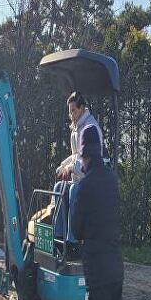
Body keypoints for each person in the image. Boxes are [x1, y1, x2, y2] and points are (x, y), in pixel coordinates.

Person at [71, 125, 130, 300]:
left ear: (84, 155)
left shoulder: (84, 187)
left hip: (97, 277)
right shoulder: (112, 179)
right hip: (116, 272)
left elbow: (76, 230)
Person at [54, 91, 103, 243]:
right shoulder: (76, 128)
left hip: (91, 181)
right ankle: (59, 238)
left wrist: (71, 168)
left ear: (82, 108)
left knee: (74, 190)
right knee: (59, 187)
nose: (71, 115)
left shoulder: (90, 128)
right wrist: (63, 166)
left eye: (73, 111)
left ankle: (73, 242)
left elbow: (90, 161)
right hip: (79, 178)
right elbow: (76, 155)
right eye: (69, 112)